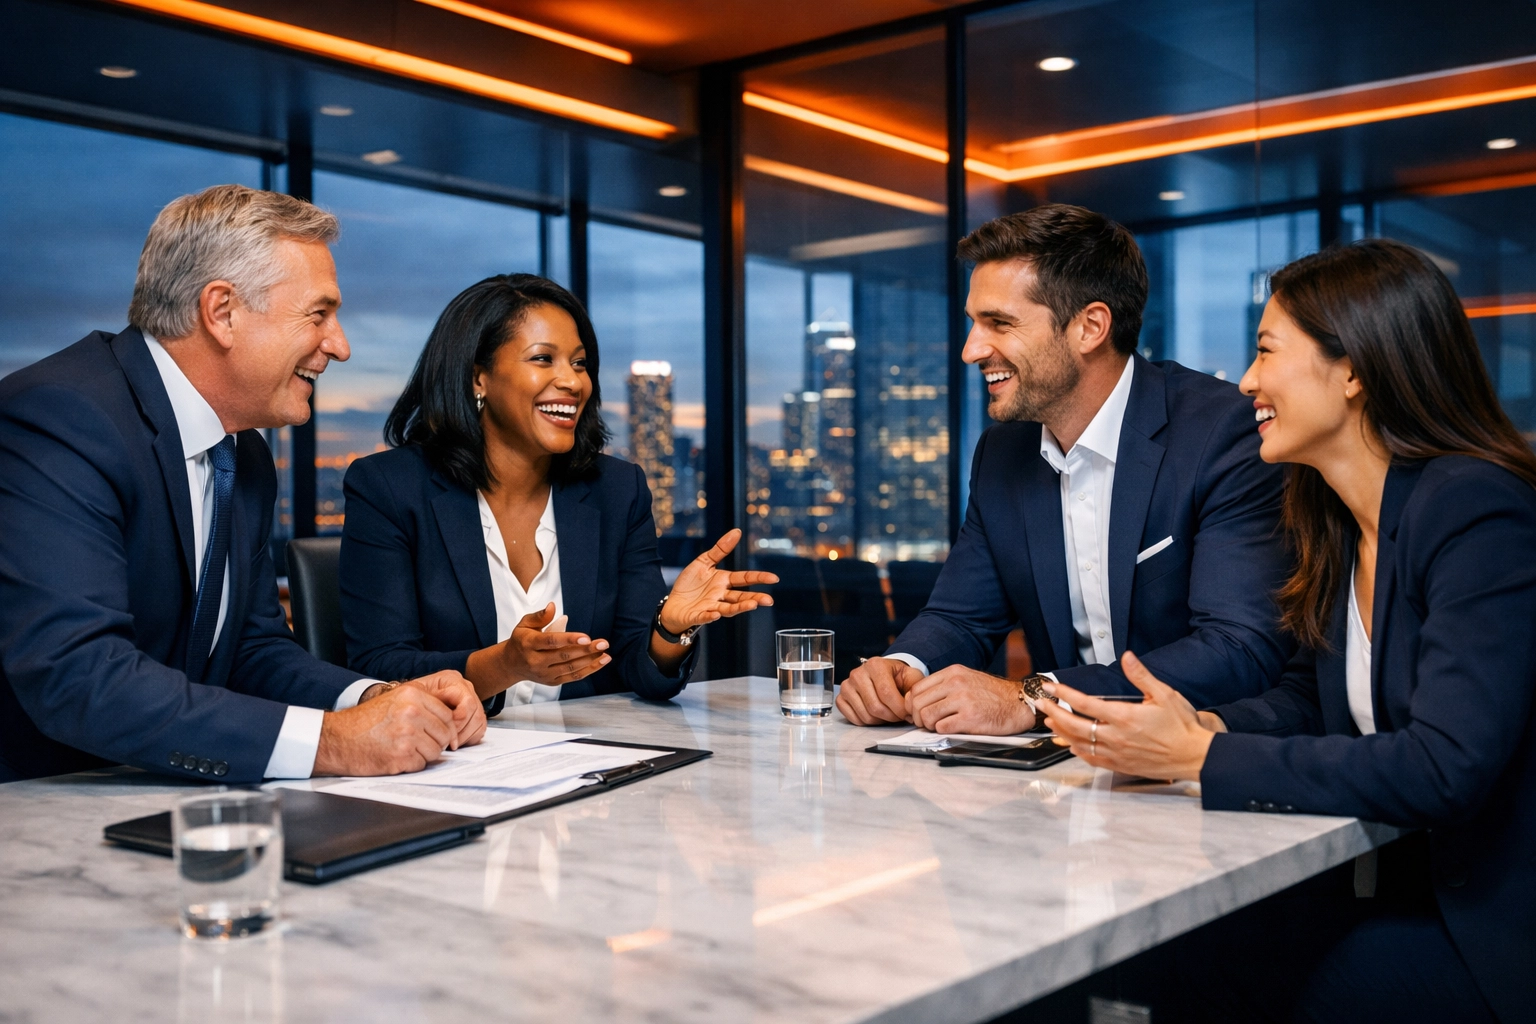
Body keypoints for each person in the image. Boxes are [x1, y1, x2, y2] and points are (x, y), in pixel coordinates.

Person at [1037, 239, 1536, 1022]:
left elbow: (1446, 766)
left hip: (1496, 927)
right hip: (1394, 888)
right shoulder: (1337, 521)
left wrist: (1205, 758)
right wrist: (1199, 729)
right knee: (1174, 959)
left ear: (1354, 369)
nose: (1246, 382)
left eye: (1266, 351)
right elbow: (1308, 698)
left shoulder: (1476, 510)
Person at [0, 184, 485, 785]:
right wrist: (332, 744)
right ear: (222, 311)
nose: (340, 345)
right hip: (39, 809)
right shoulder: (62, 419)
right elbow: (78, 676)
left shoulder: (244, 453)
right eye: (319, 314)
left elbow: (252, 652)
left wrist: (382, 700)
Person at [838, 204, 1291, 734]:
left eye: (999, 324)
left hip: (1205, 768)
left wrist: (1033, 698)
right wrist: (901, 667)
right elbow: (960, 615)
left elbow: (1238, 648)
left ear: (1090, 327)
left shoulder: (1222, 433)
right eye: (973, 324)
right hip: (1059, 778)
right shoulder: (1002, 453)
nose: (970, 350)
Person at [339, 273, 775, 712]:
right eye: (543, 359)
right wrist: (504, 665)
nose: (573, 382)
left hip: (587, 756)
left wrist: (667, 628)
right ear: (478, 378)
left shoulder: (617, 491)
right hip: (446, 757)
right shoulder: (389, 488)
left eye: (580, 363)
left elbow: (640, 674)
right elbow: (381, 667)